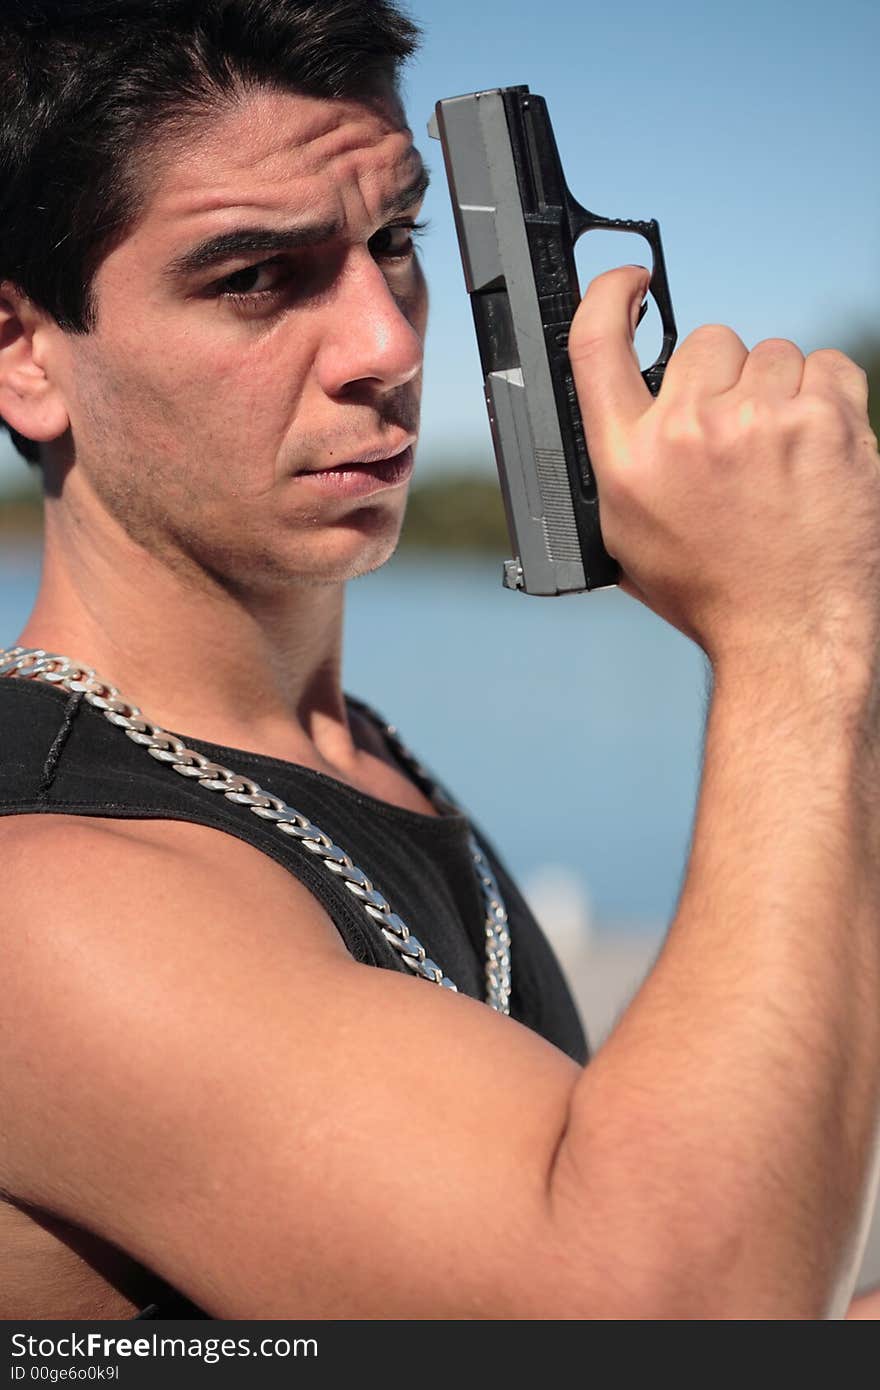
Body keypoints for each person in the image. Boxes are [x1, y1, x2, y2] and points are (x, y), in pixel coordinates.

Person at [0, 0, 878, 1322]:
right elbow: (675, 1316)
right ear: (23, 356)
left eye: (397, 242)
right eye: (254, 278)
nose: (392, 347)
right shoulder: (46, 895)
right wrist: (794, 629)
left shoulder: (348, 754)